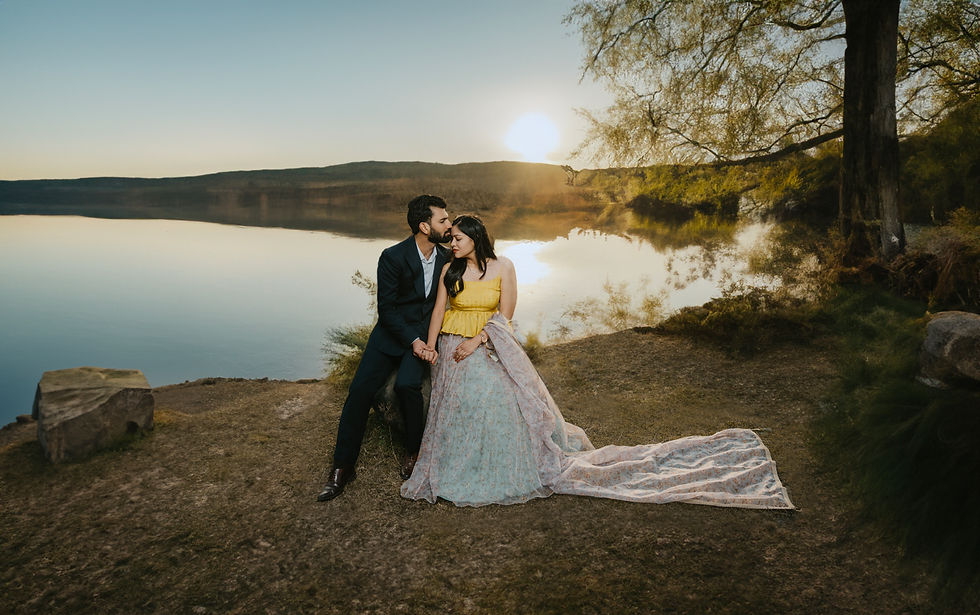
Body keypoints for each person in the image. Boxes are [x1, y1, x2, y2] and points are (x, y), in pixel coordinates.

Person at [401, 214, 795, 509]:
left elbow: (506, 315)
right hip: (451, 346)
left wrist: (477, 340)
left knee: (499, 400)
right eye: (450, 237)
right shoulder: (449, 269)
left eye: (458, 238)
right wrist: (433, 347)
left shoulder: (504, 266)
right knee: (456, 408)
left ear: (476, 239)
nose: (452, 242)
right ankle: (458, 465)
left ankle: (503, 465)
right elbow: (438, 309)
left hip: (485, 342)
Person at [317, 195, 451, 502]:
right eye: (442, 220)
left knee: (408, 385)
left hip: (424, 338)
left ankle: (414, 452)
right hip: (391, 337)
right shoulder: (392, 257)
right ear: (423, 225)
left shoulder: (447, 258)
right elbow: (387, 310)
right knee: (359, 393)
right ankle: (342, 466)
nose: (448, 224)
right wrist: (413, 341)